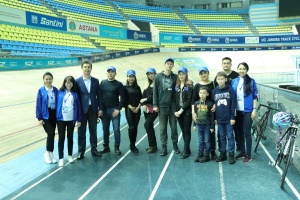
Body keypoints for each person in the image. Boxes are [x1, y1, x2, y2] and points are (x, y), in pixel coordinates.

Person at [231, 62, 258, 163]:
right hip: (237, 111)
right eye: (240, 69)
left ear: (247, 70)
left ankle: (248, 154)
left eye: (243, 69)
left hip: (248, 111)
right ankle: (242, 152)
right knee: (239, 133)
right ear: (237, 69)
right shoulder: (234, 81)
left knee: (247, 132)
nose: (241, 71)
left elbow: (255, 96)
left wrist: (254, 110)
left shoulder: (251, 81)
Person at [153, 58, 180, 156]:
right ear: (165, 65)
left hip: (172, 106)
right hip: (162, 106)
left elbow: (181, 85)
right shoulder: (158, 76)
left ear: (172, 66)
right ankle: (164, 147)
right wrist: (155, 105)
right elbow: (155, 91)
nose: (169, 65)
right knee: (163, 129)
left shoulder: (175, 77)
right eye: (167, 64)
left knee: (174, 128)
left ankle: (175, 145)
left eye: (171, 64)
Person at [76, 61, 102, 160]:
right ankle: (81, 151)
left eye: (89, 67)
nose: (87, 69)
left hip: (93, 110)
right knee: (81, 132)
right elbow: (76, 97)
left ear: (91, 68)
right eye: (85, 67)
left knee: (93, 131)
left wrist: (100, 109)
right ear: (82, 68)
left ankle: (94, 149)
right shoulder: (77, 81)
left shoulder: (96, 81)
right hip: (82, 111)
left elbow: (99, 96)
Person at [214, 57, 240, 152]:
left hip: (233, 108)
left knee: (234, 131)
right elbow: (214, 92)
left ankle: (237, 148)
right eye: (224, 63)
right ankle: (222, 150)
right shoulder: (218, 76)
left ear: (231, 64)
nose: (226, 65)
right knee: (221, 134)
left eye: (228, 63)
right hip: (221, 112)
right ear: (222, 64)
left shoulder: (236, 75)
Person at [191, 66, 217, 160]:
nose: (203, 75)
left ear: (208, 73)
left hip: (211, 113)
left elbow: (216, 96)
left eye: (205, 73)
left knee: (211, 134)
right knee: (202, 138)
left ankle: (212, 152)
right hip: (201, 113)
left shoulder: (213, 84)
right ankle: (202, 153)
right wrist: (194, 113)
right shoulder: (197, 86)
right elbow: (193, 101)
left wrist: (215, 105)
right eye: (201, 73)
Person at [56, 76, 82, 167]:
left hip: (71, 120)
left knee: (70, 138)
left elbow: (78, 107)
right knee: (61, 139)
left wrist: (79, 119)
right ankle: (61, 158)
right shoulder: (59, 92)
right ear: (64, 83)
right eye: (67, 82)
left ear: (73, 84)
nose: (68, 84)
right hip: (61, 120)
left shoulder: (75, 94)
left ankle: (70, 155)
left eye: (70, 82)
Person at [211, 71, 237, 164]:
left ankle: (231, 154)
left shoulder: (230, 90)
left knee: (230, 136)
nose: (220, 80)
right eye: (219, 79)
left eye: (222, 79)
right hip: (219, 119)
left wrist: (232, 117)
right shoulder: (214, 91)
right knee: (221, 137)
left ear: (226, 79)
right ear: (216, 80)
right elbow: (213, 106)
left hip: (229, 119)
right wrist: (214, 118)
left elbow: (233, 104)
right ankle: (223, 153)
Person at [100, 66, 125, 155]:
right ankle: (106, 146)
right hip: (105, 110)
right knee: (105, 130)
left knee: (116, 130)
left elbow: (123, 98)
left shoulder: (119, 84)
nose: (110, 73)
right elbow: (100, 97)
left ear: (115, 73)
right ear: (106, 73)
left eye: (112, 72)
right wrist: (100, 110)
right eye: (109, 72)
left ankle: (117, 147)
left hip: (115, 110)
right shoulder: (102, 83)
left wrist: (118, 109)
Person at [36, 72, 58, 164]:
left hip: (54, 114)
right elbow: (38, 104)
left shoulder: (55, 90)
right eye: (46, 79)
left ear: (52, 79)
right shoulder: (41, 91)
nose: (48, 80)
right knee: (51, 132)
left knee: (51, 135)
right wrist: (39, 118)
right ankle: (47, 153)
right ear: (44, 80)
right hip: (45, 115)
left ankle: (51, 153)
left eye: (50, 79)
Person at [174, 66, 193, 159]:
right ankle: (187, 149)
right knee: (183, 130)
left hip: (186, 112)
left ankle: (185, 150)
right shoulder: (176, 86)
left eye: (183, 74)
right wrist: (175, 111)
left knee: (186, 131)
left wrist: (181, 111)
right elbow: (174, 99)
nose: (181, 76)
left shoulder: (189, 86)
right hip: (178, 113)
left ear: (186, 75)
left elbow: (189, 100)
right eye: (180, 74)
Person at [193, 86, 214, 163]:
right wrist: (194, 125)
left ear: (207, 94)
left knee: (207, 140)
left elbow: (212, 116)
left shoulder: (209, 104)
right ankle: (200, 153)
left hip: (207, 125)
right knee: (200, 140)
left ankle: (207, 155)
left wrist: (212, 127)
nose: (202, 95)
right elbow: (195, 115)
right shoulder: (196, 103)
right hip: (199, 125)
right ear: (198, 94)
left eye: (204, 93)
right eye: (200, 93)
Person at [140, 68, 158, 153]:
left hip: (153, 109)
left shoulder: (157, 83)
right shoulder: (147, 84)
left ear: (155, 73)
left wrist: (146, 100)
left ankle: (152, 145)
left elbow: (155, 97)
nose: (150, 75)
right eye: (149, 74)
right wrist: (143, 104)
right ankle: (153, 146)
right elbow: (143, 95)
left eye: (152, 73)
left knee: (147, 125)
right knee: (150, 126)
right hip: (146, 109)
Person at [124, 70, 142, 153]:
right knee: (131, 127)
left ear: (135, 77)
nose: (131, 78)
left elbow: (141, 99)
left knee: (135, 127)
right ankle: (131, 145)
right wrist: (131, 107)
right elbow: (123, 99)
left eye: (133, 77)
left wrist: (138, 107)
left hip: (137, 109)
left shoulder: (138, 88)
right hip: (129, 110)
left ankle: (134, 145)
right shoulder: (124, 88)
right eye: (129, 76)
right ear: (127, 77)